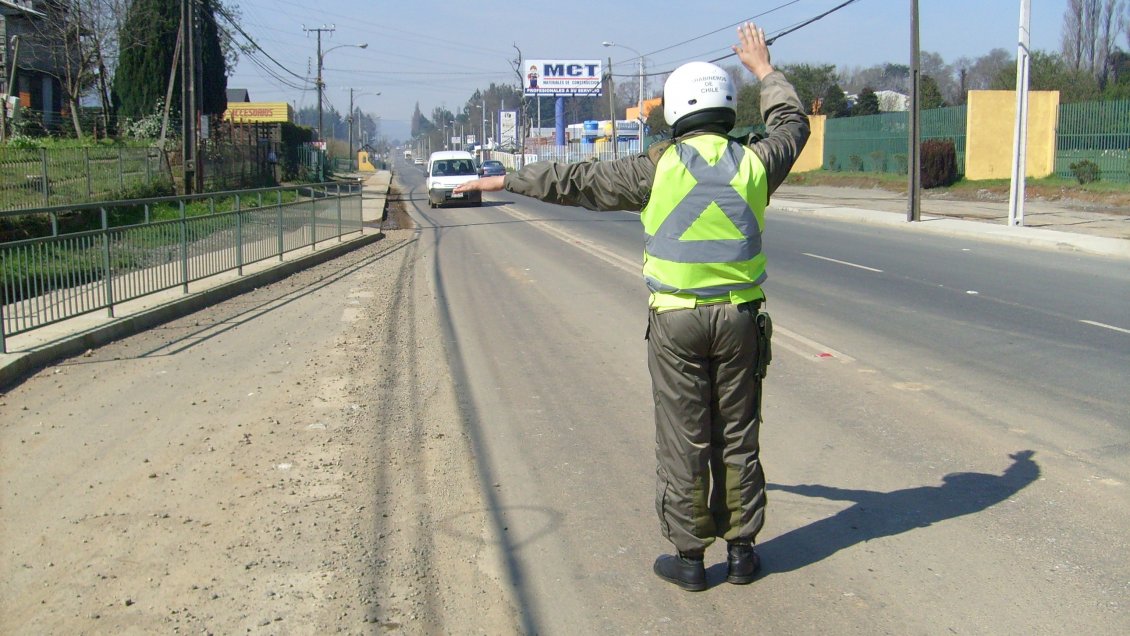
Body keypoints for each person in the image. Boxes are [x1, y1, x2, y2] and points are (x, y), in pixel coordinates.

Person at [455, 22, 809, 591]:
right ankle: (743, 552)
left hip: (676, 323)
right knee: (737, 433)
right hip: (740, 320)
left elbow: (575, 180)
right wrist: (764, 70)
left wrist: (507, 182)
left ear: (674, 111)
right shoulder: (754, 164)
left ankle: (691, 561)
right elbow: (792, 124)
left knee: (684, 438)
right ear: (724, 108)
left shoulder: (654, 168)